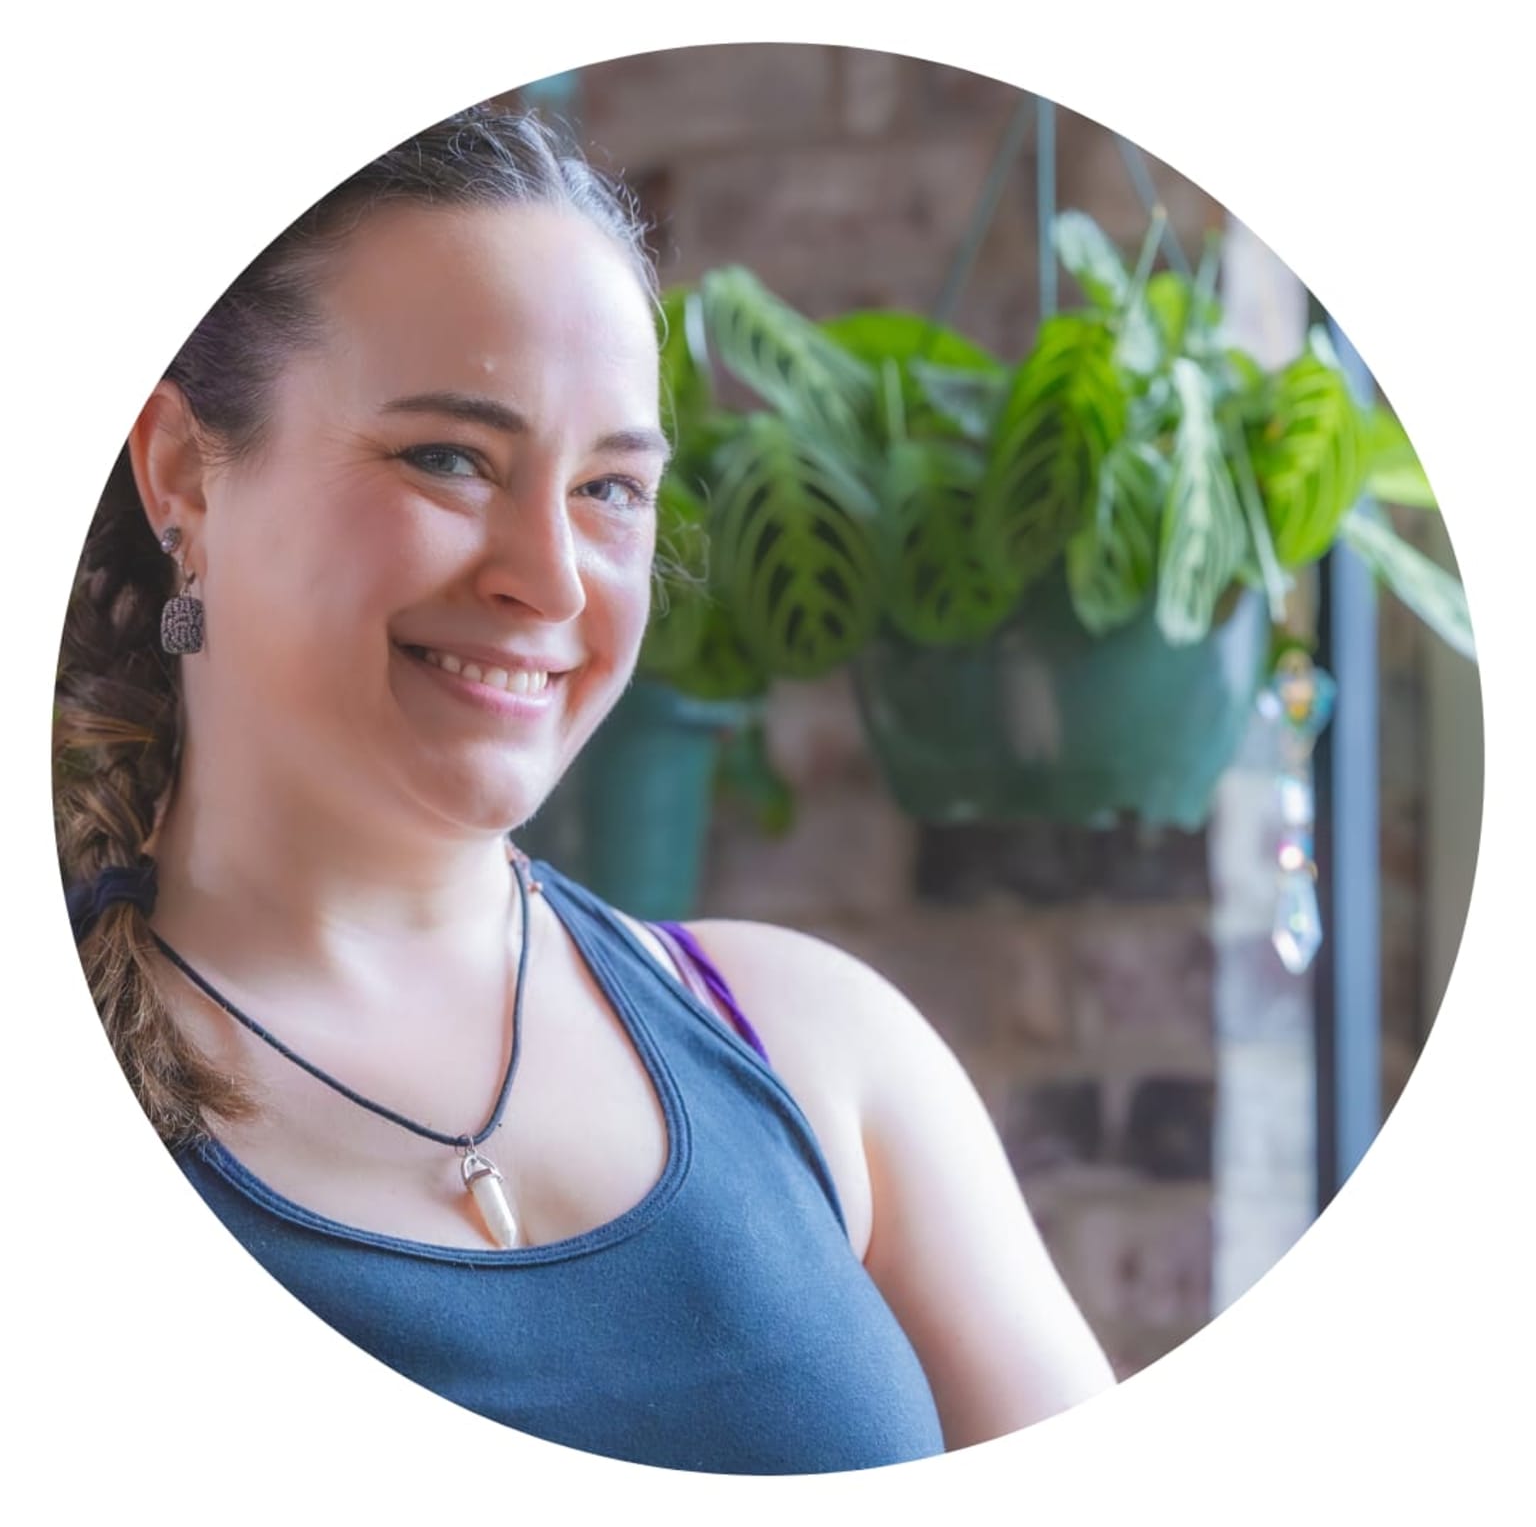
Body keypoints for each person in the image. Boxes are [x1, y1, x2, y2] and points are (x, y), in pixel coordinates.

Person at [54, 102, 1115, 1475]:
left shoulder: (818, 1048)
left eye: (611, 489)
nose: (551, 582)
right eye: (450, 459)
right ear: (181, 473)